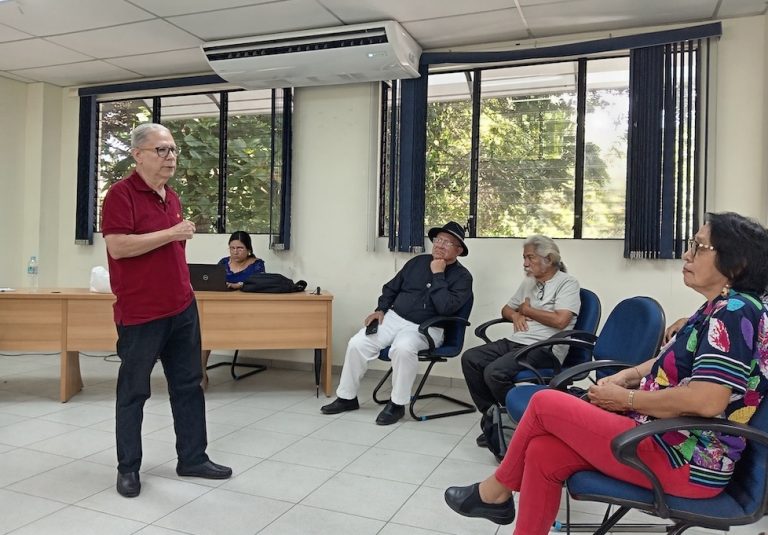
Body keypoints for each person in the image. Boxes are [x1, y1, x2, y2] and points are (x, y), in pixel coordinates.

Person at [444, 212, 768, 535]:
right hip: (662, 437)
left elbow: (708, 400)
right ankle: (503, 505)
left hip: (686, 459)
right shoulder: (719, 308)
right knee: (543, 452)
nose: (686, 254)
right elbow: (667, 363)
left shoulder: (735, 313)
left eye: (698, 247)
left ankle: (494, 493)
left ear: (736, 263)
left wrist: (626, 399)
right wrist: (627, 376)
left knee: (544, 403)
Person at [102, 122, 232, 498]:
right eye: (161, 150)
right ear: (138, 154)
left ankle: (192, 458)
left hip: (182, 308)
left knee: (189, 385)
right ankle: (128, 468)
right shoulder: (120, 195)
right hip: (141, 313)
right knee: (134, 392)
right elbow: (118, 247)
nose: (170, 156)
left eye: (173, 149)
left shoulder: (170, 196)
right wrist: (171, 233)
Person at [320, 221, 473, 425]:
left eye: (447, 242)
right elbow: (391, 288)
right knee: (358, 343)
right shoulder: (417, 262)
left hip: (427, 327)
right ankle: (347, 398)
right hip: (394, 318)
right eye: (438, 240)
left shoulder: (463, 277)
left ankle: (397, 404)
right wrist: (380, 309)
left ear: (459, 250)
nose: (439, 245)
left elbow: (446, 308)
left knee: (403, 348)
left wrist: (438, 274)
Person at [461, 235, 580, 446]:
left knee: (494, 372)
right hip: (517, 341)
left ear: (549, 258)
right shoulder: (529, 282)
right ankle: (494, 419)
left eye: (530, 257)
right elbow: (506, 309)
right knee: (471, 358)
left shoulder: (567, 283)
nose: (525, 263)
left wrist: (528, 310)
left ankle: (517, 422)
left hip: (545, 347)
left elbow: (561, 321)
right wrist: (516, 315)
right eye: (524, 257)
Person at [200, 230, 266, 388]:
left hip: (247, 311)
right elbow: (213, 283)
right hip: (221, 310)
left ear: (248, 249)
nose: (235, 252)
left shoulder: (257, 264)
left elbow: (260, 284)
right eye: (232, 248)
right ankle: (201, 372)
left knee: (210, 327)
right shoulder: (223, 263)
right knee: (204, 329)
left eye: (240, 248)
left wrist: (240, 285)